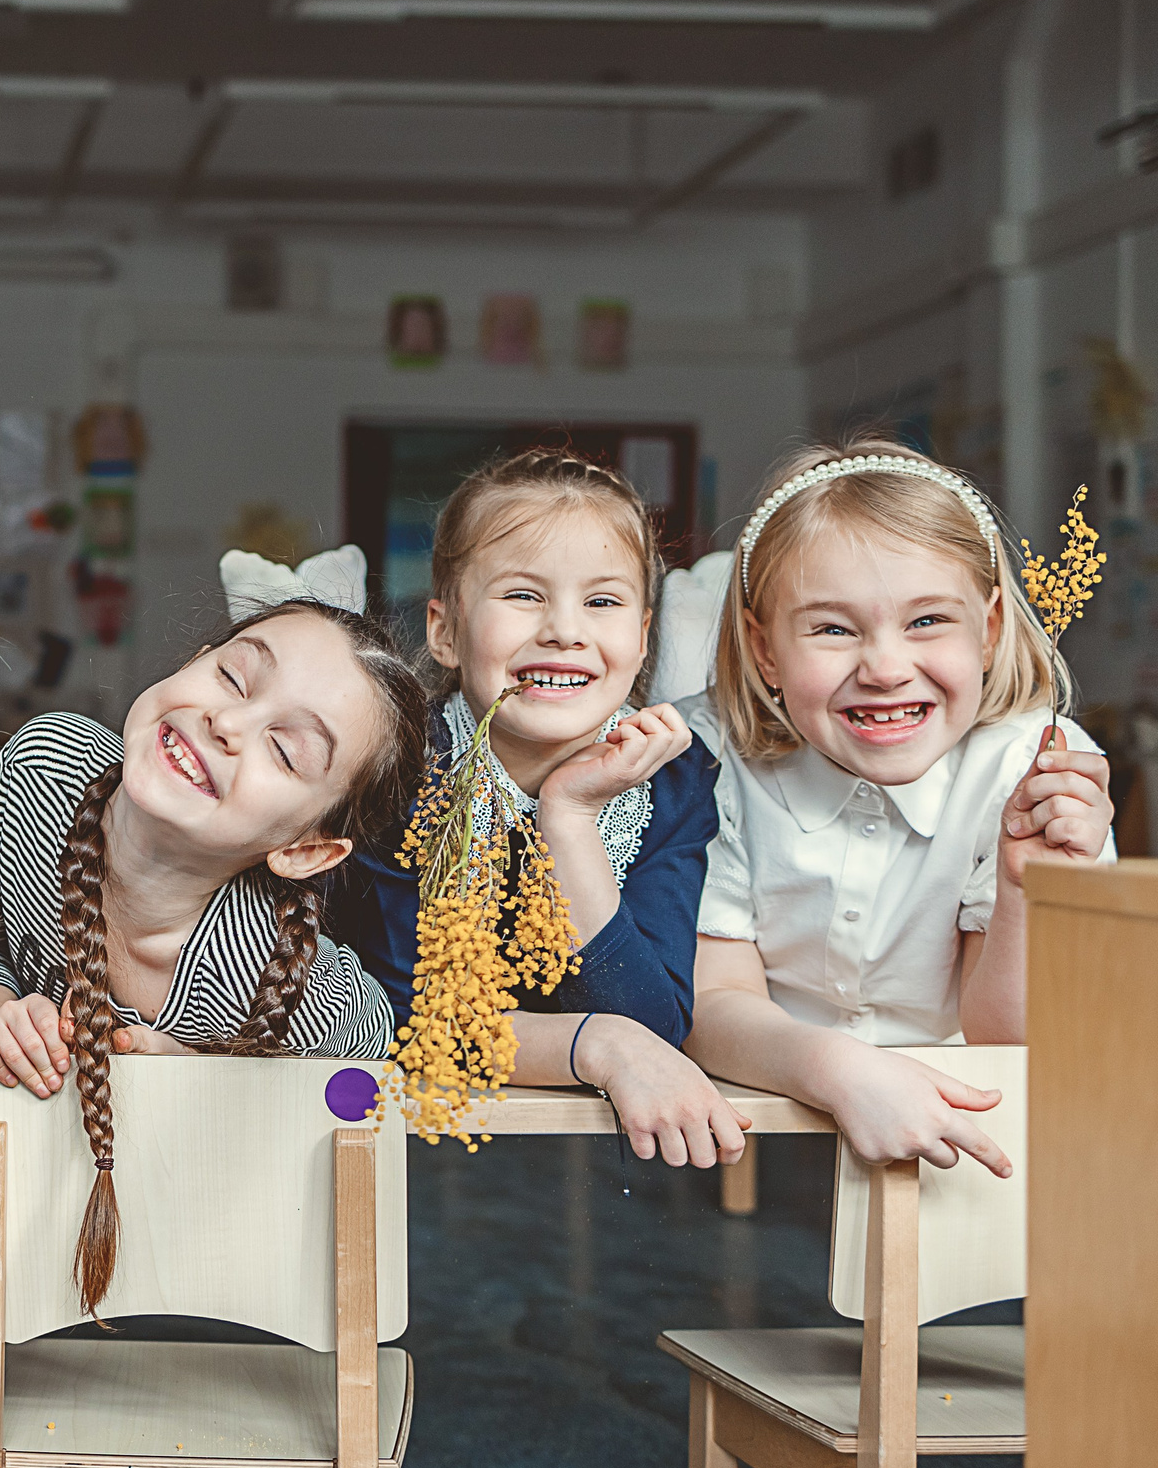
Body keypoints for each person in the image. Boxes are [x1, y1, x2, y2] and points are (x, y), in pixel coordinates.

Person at [0, 572, 431, 1310]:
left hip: (193, 1280)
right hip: (0, 1257)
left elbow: (372, 1047)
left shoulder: (268, 964)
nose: (229, 723)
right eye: (233, 676)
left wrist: (207, 1065)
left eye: (288, 750)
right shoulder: (45, 770)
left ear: (304, 849)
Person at [683, 441, 1115, 1175]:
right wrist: (840, 1071)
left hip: (977, 1142)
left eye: (926, 622)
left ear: (989, 629)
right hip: (765, 1124)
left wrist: (1024, 892)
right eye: (832, 628)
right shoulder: (704, 758)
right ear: (764, 651)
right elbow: (710, 1004)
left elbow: (1012, 1038)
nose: (884, 668)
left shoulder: (1030, 767)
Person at [331, 451, 748, 1169]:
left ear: (643, 637)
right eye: (524, 596)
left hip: (596, 1166)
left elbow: (654, 1022)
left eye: (604, 602)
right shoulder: (396, 767)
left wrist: (571, 817)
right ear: (445, 631)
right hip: (396, 1137)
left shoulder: (676, 782)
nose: (564, 629)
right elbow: (406, 1017)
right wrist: (595, 1046)